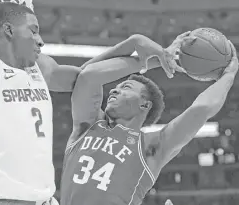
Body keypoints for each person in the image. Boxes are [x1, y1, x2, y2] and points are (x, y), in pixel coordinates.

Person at [0, 0, 179, 205]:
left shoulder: (38, 69)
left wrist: (142, 49)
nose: (41, 40)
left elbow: (88, 76)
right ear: (9, 30)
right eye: (33, 31)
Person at [60, 35, 238, 205]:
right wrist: (155, 60)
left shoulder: (151, 147)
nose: (114, 91)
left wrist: (229, 75)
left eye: (126, 88)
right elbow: (88, 76)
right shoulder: (89, 124)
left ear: (144, 105)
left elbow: (201, 109)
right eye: (115, 88)